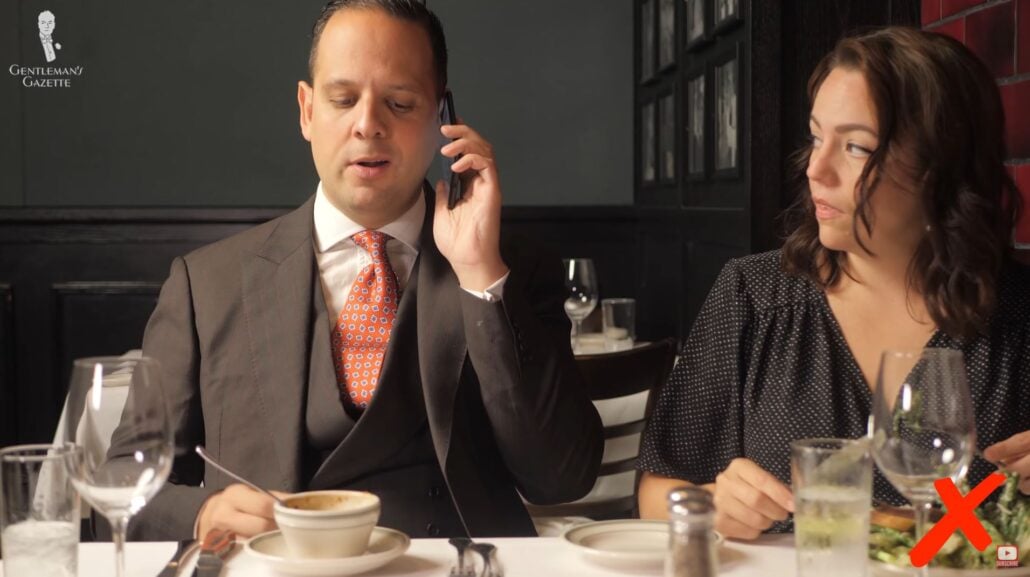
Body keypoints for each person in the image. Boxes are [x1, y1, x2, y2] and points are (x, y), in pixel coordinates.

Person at [110, 0, 603, 541]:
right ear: (306, 110)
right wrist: (201, 515)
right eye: (343, 99)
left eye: (398, 102)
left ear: (442, 116)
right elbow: (118, 484)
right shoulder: (205, 285)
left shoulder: (514, 270)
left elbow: (561, 477)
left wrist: (480, 274)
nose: (368, 125)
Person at [637, 26, 1030, 540]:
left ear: (941, 168)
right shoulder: (753, 296)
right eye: (817, 137)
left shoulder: (1018, 316)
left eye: (856, 147)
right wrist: (709, 503)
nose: (816, 170)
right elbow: (651, 493)